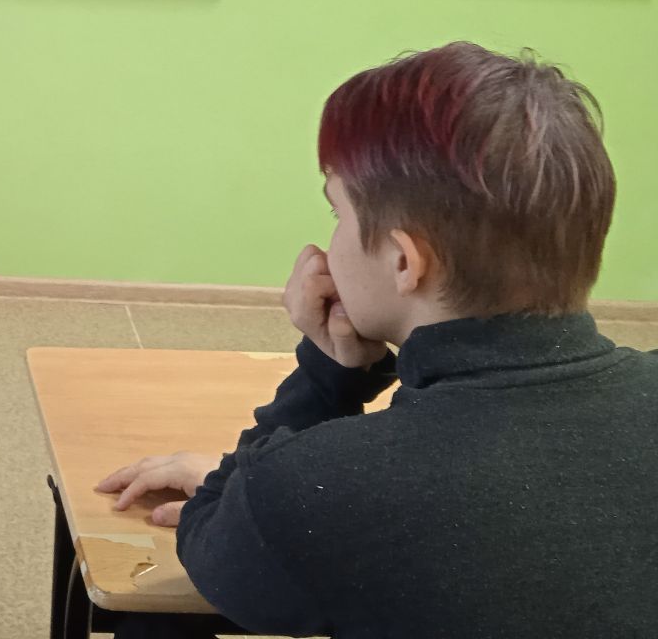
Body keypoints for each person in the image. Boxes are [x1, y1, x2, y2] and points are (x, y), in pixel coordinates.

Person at [96, 43, 657, 638]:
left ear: (403, 261)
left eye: (337, 214)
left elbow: (218, 549)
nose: (327, 246)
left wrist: (323, 382)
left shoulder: (317, 491)